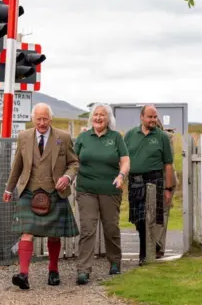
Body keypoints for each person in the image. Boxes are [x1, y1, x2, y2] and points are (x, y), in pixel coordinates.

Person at [3, 103, 80, 290]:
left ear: (50, 119)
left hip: (55, 191)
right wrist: (8, 188)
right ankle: (23, 275)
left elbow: (74, 163)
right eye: (39, 119)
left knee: (54, 235)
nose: (42, 123)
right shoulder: (23, 137)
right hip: (29, 191)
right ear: (33, 119)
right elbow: (17, 166)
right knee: (26, 233)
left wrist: (67, 177)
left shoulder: (63, 137)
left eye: (45, 119)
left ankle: (53, 270)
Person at [73, 103, 130, 285]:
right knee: (88, 229)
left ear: (108, 119)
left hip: (110, 190)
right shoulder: (83, 138)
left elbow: (125, 161)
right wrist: (67, 178)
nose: (98, 118)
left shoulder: (116, 138)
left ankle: (115, 262)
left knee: (111, 227)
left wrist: (121, 175)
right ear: (91, 118)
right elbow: (73, 162)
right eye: (96, 115)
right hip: (86, 190)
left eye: (102, 115)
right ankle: (83, 269)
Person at [123, 105, 173, 265]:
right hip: (135, 181)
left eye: (155, 117)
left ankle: (144, 254)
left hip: (154, 181)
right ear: (141, 117)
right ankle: (149, 247)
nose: (153, 120)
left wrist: (168, 188)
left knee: (149, 218)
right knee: (139, 220)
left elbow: (168, 164)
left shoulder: (162, 137)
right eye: (150, 117)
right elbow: (123, 159)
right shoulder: (130, 135)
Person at [155, 118, 179, 259]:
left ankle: (158, 246)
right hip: (151, 180)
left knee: (162, 214)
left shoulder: (167, 138)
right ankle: (154, 244)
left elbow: (168, 161)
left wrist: (167, 187)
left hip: (166, 179)